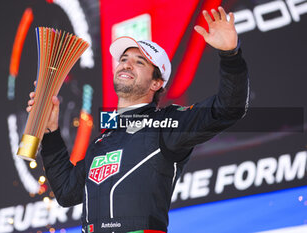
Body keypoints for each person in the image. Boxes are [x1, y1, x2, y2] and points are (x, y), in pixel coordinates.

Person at [27, 7, 249, 233]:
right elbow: (66, 191)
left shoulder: (166, 124)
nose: (126, 64)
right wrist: (51, 132)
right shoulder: (102, 142)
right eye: (123, 59)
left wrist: (230, 56)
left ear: (156, 83)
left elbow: (228, 109)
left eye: (139, 62)